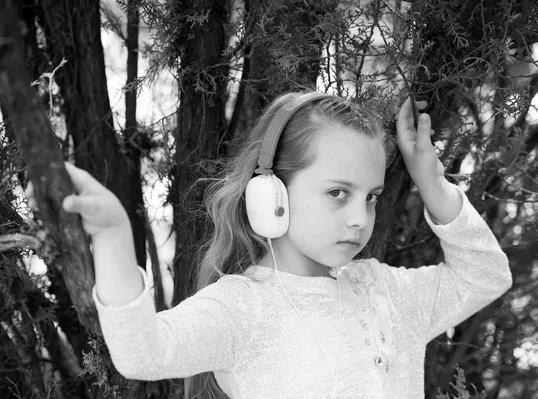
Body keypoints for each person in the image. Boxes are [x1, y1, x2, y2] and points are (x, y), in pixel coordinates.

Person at [29, 92, 512, 399]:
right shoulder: (245, 308)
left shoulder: (386, 290)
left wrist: (430, 179)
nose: (360, 218)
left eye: (372, 197)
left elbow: (486, 276)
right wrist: (113, 236)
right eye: (337, 193)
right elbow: (142, 354)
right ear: (271, 194)